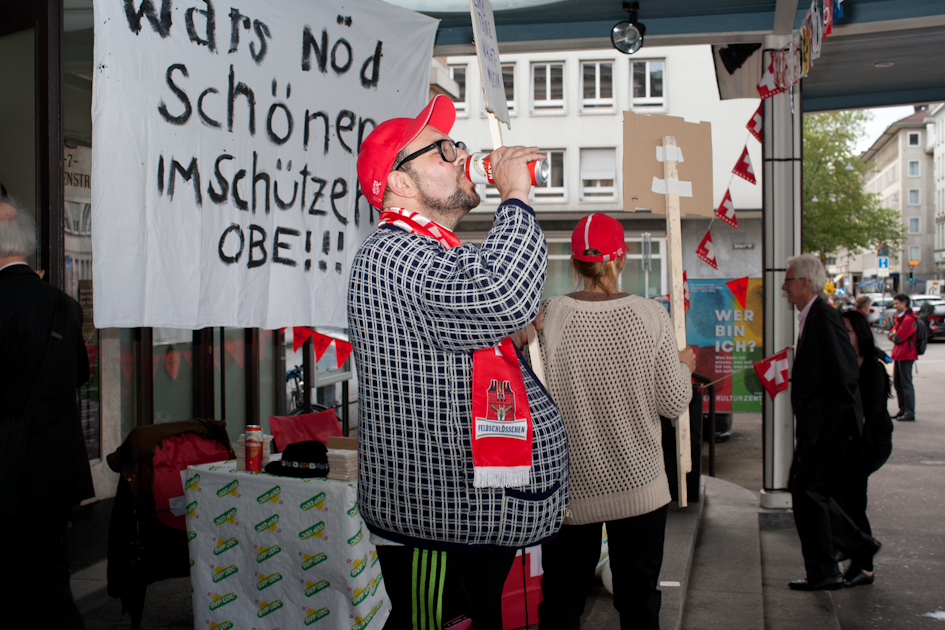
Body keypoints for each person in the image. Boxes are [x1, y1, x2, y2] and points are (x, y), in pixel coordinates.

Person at [349, 95, 569, 629]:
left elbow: (493, 309)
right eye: (441, 150)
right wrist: (515, 196)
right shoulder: (393, 252)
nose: (459, 154)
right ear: (400, 183)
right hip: (436, 521)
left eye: (456, 145)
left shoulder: (437, 249)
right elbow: (503, 295)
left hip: (466, 515)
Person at [536, 213, 695, 630]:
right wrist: (684, 367)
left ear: (574, 262)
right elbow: (673, 401)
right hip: (640, 486)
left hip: (570, 488)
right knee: (639, 602)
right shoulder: (650, 315)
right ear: (622, 259)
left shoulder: (549, 316)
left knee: (561, 602)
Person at [0, 197, 93, 628]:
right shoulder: (63, 304)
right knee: (51, 578)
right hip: (56, 468)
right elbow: (78, 374)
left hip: (9, 473)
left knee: (16, 587)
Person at [782, 254, 880, 591]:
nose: (784, 287)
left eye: (789, 280)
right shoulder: (813, 317)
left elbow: (846, 374)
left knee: (808, 492)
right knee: (809, 493)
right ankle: (828, 566)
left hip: (825, 429)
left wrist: (828, 427)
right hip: (818, 427)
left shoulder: (824, 317)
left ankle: (849, 551)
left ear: (805, 283)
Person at [839, 310, 894, 588]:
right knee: (842, 498)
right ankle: (852, 550)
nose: (843, 336)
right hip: (849, 443)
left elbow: (870, 414)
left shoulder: (873, 369)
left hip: (870, 444)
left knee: (854, 501)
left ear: (860, 334)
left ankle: (864, 564)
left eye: (847, 330)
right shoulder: (843, 363)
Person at [888, 293, 917, 422]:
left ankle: (909, 412)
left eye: (896, 303)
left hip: (906, 355)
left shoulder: (908, 320)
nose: (895, 306)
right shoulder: (900, 319)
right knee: (898, 384)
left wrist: (893, 334)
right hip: (899, 354)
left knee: (906, 384)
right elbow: (891, 334)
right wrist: (893, 334)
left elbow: (898, 337)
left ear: (904, 303)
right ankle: (903, 409)